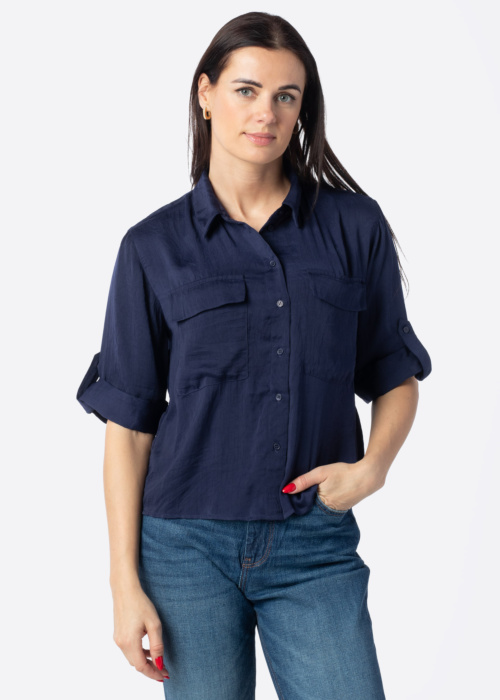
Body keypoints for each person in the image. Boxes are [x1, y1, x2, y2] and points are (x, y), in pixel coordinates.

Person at [76, 11, 432, 700]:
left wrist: (372, 469)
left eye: (285, 96)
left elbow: (395, 371)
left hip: (314, 543)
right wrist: (123, 582)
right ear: (206, 93)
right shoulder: (151, 248)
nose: (266, 112)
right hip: (185, 548)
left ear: (302, 109)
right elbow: (129, 427)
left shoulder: (354, 227)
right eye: (246, 90)